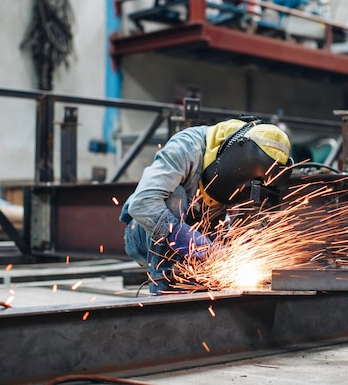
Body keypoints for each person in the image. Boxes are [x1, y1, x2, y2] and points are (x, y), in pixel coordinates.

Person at [119, 117, 292, 294]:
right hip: (142, 235)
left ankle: (197, 280)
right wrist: (183, 236)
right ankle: (164, 286)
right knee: (174, 197)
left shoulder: (250, 179)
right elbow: (142, 204)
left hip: (204, 241)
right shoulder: (186, 147)